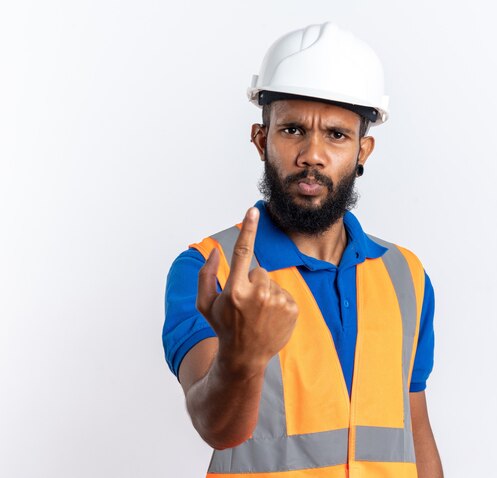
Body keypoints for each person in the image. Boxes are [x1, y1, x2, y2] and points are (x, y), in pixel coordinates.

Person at [163, 22, 443, 478]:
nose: (312, 154)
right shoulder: (209, 268)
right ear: (261, 139)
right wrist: (243, 354)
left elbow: (415, 426)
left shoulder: (405, 276)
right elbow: (214, 424)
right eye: (293, 129)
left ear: (362, 151)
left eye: (336, 135)